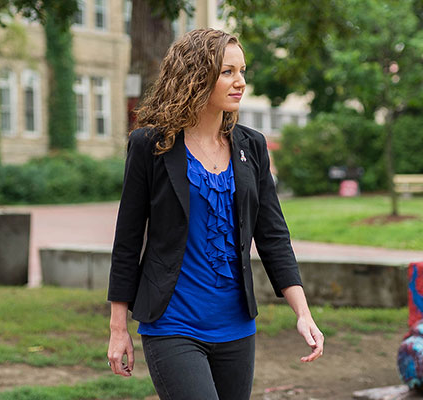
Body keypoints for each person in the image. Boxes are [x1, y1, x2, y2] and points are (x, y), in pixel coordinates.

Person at [107, 29, 324, 400]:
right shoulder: (151, 145)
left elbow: (272, 236)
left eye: (242, 71)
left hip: (237, 329)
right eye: (227, 72)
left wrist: (303, 312)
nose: (240, 82)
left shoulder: (251, 146)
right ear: (195, 76)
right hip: (172, 325)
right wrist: (117, 327)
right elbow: (127, 239)